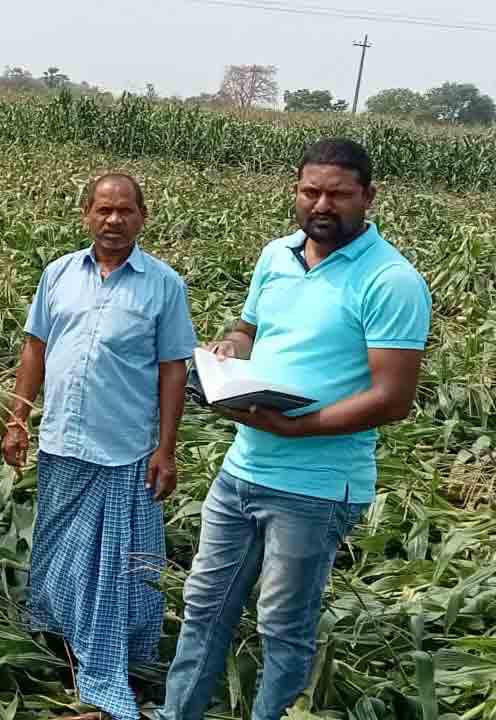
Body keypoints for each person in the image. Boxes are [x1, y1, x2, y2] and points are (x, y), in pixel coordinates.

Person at [159, 139, 431, 720]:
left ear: (369, 197)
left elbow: (393, 397)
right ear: (296, 192)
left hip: (316, 485)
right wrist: (229, 352)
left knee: (283, 623)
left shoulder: (391, 280)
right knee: (204, 605)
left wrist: (297, 430)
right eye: (311, 191)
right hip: (242, 469)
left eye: (338, 193)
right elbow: (249, 328)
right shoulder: (275, 256)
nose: (322, 204)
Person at [2, 173, 196, 720]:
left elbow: (173, 370)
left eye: (126, 210)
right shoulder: (58, 274)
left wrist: (167, 448)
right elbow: (35, 350)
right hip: (62, 439)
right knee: (60, 550)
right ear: (86, 213)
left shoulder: (163, 286)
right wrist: (17, 419)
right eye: (104, 209)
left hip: (125, 447)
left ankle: (108, 663)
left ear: (143, 217)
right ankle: (61, 639)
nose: (115, 220)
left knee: (114, 564)